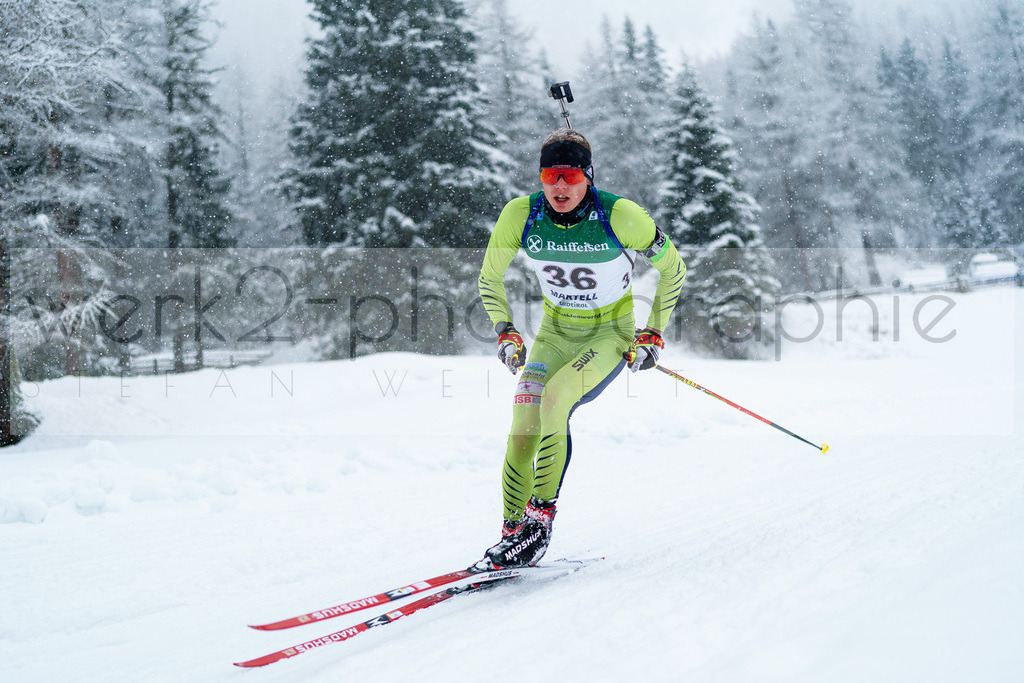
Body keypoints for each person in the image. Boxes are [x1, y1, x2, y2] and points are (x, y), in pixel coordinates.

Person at [473, 128, 687, 570]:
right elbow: (489, 278)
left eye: (570, 175)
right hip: (554, 332)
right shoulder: (521, 215)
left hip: (608, 335)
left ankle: (539, 519)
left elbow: (674, 269)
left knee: (555, 399)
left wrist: (652, 333)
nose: (560, 187)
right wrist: (506, 331)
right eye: (550, 175)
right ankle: (513, 531)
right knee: (523, 418)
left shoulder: (622, 215)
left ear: (587, 176)